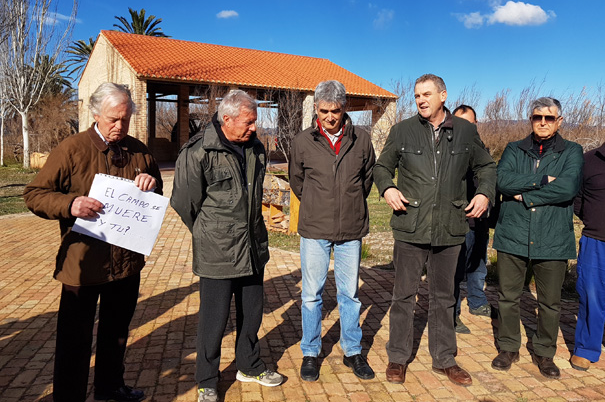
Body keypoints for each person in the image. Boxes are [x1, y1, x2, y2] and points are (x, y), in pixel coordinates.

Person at [23, 82, 163, 402]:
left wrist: (151, 184)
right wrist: (70, 204)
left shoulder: (139, 151)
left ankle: (109, 387)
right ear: (96, 114)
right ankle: (69, 396)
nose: (120, 126)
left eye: (125, 119)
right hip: (82, 265)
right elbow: (34, 195)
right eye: (113, 119)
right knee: (75, 339)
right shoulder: (71, 149)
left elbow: (156, 196)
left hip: (126, 264)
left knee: (116, 332)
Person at [373, 74, 496, 386]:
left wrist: (484, 193)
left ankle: (444, 359)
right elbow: (382, 167)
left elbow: (486, 166)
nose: (420, 100)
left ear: (443, 96)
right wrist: (387, 188)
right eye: (417, 96)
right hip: (410, 225)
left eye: (426, 94)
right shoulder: (402, 131)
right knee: (403, 296)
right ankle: (398, 357)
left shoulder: (466, 131)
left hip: (449, 227)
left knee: (444, 297)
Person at [170, 90, 283, 402]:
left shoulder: (256, 148)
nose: (254, 128)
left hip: (252, 246)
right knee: (214, 320)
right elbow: (184, 202)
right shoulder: (199, 151)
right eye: (248, 122)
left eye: (255, 121)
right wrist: (210, 232)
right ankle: (207, 380)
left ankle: (249, 365)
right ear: (227, 119)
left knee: (252, 313)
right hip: (217, 251)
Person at [289, 80, 376, 382]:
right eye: (324, 111)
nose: (329, 117)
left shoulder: (361, 139)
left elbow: (366, 179)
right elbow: (297, 181)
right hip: (315, 229)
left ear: (344, 108)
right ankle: (311, 352)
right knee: (311, 295)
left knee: (349, 294)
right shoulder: (303, 141)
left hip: (350, 229)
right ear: (316, 108)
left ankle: (352, 351)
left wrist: (349, 203)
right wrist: (319, 204)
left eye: (335, 111)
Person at [492, 97, 583, 379]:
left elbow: (567, 188)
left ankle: (544, 352)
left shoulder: (572, 151)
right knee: (508, 296)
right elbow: (502, 181)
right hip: (513, 232)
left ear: (559, 121)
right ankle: (508, 347)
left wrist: (525, 197)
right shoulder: (514, 148)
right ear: (530, 119)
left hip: (553, 237)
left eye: (549, 118)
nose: (542, 122)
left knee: (550, 302)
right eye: (537, 117)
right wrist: (543, 180)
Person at [570, 118, 605, 371]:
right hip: (598, 243)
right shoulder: (589, 161)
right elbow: (577, 199)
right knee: (592, 298)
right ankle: (586, 349)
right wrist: (595, 220)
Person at [451, 105, 492, 334]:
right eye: (460, 123)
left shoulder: (483, 150)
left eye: (470, 123)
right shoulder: (451, 151)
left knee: (478, 264)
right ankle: (452, 314)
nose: (465, 128)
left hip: (481, 220)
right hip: (460, 221)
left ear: (476, 124)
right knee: (455, 270)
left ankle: (477, 302)